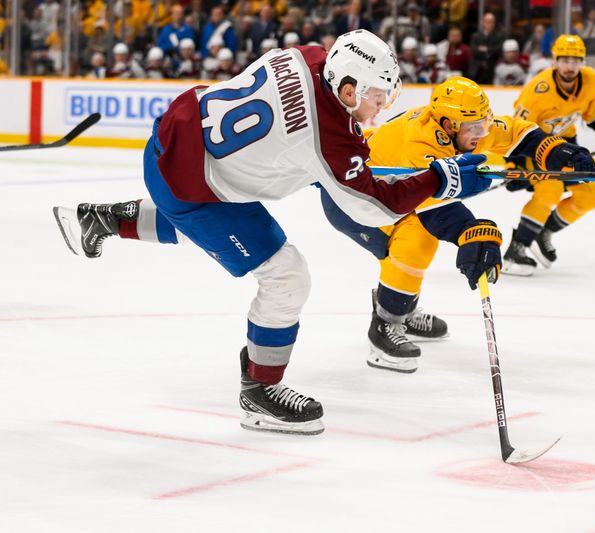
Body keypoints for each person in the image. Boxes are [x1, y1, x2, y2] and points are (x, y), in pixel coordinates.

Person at [52, 31, 495, 436]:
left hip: (178, 135)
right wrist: (442, 181)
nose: (382, 106)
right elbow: (371, 208)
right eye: (377, 96)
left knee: (207, 232)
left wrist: (336, 164)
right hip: (194, 185)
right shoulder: (327, 138)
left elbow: (308, 137)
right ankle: (260, 391)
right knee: (287, 276)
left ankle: (103, 219)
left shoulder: (308, 56)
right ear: (348, 90)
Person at [318, 77, 595, 373]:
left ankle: (402, 305)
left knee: (411, 239)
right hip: (353, 202)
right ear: (449, 125)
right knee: (416, 239)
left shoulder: (464, 125)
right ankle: (386, 324)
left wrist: (557, 150)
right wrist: (471, 232)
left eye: (484, 124)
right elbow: (434, 210)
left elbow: (516, 130)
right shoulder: (421, 142)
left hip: (391, 194)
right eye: (474, 128)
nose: (482, 134)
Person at [508, 34, 595, 275]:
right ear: (555, 61)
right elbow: (517, 130)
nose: (570, 66)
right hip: (535, 147)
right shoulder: (538, 90)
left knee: (589, 195)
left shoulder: (591, 80)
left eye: (576, 60)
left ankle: (542, 232)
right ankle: (517, 248)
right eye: (565, 60)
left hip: (568, 146)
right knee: (550, 191)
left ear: (583, 62)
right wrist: (515, 166)